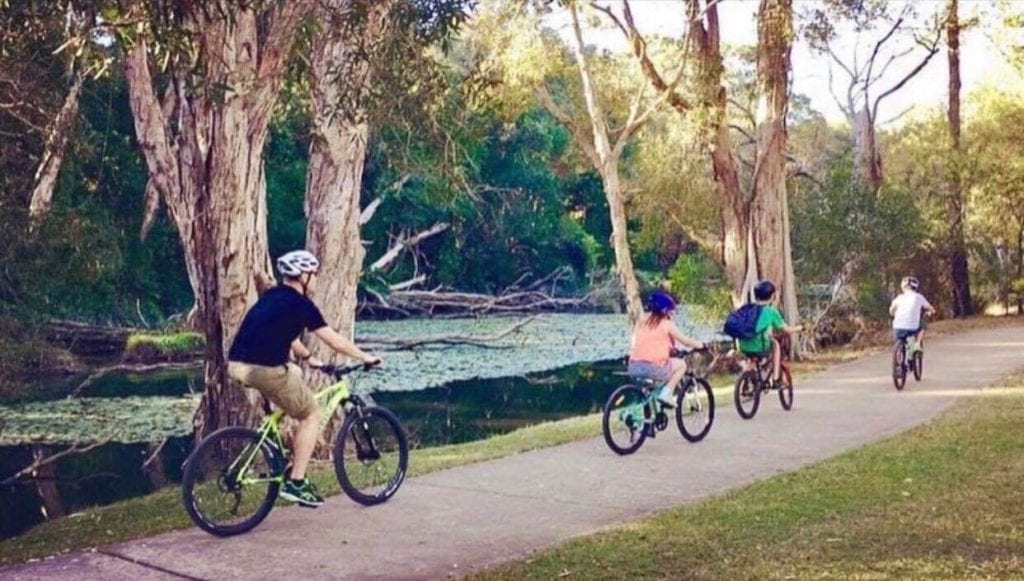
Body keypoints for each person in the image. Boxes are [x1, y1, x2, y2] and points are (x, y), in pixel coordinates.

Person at [227, 250, 381, 508]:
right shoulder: (301, 305)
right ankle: (296, 482)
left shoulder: (273, 296)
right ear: (303, 276)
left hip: (237, 365)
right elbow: (333, 339)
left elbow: (287, 335)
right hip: (262, 369)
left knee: (295, 373)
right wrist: (364, 357)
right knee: (310, 414)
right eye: (315, 274)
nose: (317, 279)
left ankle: (278, 446)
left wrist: (308, 358)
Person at [627, 291, 706, 408]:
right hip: (652, 367)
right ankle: (666, 394)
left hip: (633, 366)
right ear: (665, 311)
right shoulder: (666, 324)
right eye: (670, 311)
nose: (672, 314)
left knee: (652, 387)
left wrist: (670, 350)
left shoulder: (643, 323)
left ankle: (649, 414)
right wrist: (701, 345)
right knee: (681, 365)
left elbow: (651, 344)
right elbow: (685, 341)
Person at [737, 280, 803, 386]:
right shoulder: (771, 311)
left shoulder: (747, 309)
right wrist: (799, 328)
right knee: (775, 345)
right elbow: (786, 329)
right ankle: (776, 378)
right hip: (760, 346)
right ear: (772, 296)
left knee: (752, 357)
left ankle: (743, 382)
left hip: (743, 345)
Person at [889, 276, 935, 351]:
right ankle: (917, 344)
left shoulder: (899, 298)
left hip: (897, 329)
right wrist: (929, 312)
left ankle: (899, 352)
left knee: (897, 334)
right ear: (916, 287)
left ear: (903, 287)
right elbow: (931, 309)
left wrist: (893, 314)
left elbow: (891, 310)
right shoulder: (919, 297)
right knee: (923, 323)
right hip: (912, 329)